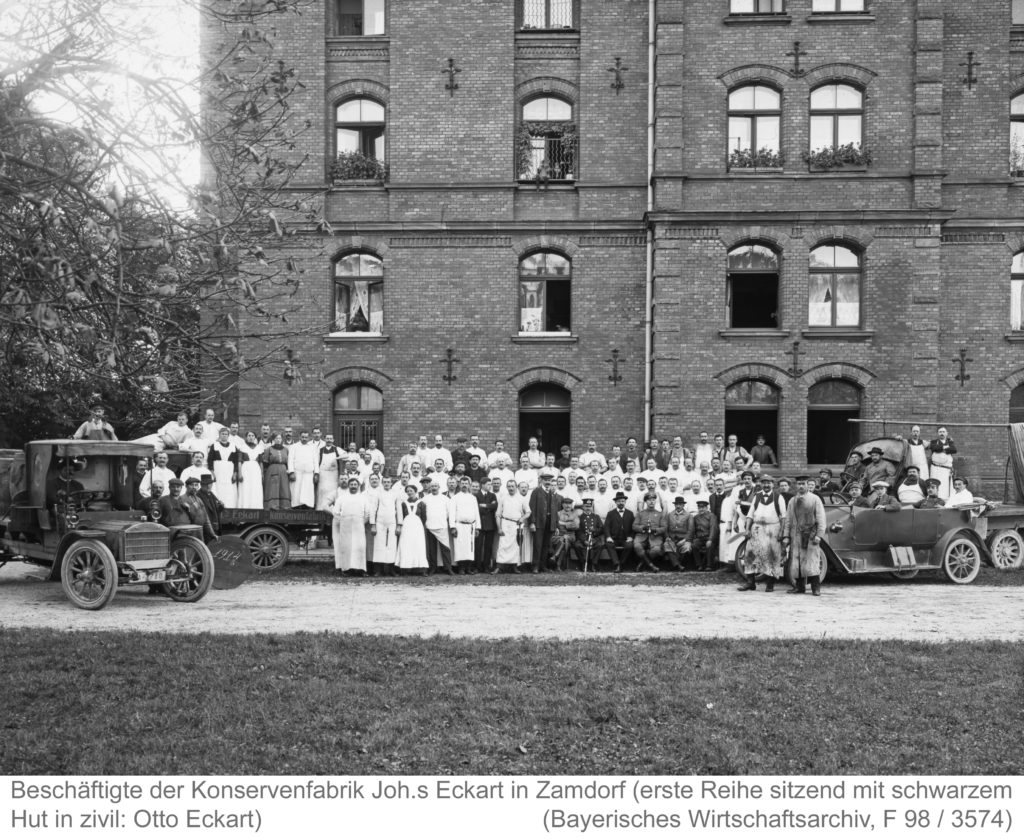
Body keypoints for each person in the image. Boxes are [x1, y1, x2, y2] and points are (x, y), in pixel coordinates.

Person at [739, 475, 786, 592]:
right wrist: (747, 529)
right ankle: (750, 583)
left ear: (772, 484)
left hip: (772, 529)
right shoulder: (757, 496)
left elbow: (784, 517)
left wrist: (781, 532)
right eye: (764, 483)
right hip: (757, 529)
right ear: (761, 484)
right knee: (750, 554)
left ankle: (770, 584)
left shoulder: (778, 497)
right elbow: (750, 514)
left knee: (772, 556)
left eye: (768, 483)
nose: (766, 485)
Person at [784, 476, 827, 596]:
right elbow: (788, 519)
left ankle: (815, 588)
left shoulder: (815, 499)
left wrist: (819, 534)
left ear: (808, 485)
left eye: (803, 483)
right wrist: (786, 535)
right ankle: (799, 587)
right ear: (796, 486)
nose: (801, 486)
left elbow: (821, 518)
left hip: (810, 535)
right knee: (796, 562)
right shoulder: (792, 500)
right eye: (799, 484)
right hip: (796, 535)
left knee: (812, 561)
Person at [331, 477, 370, 575]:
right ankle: (346, 569)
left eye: (355, 485)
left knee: (359, 547)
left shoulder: (363, 498)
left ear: (358, 486)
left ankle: (360, 570)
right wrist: (343, 521)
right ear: (348, 486)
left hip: (359, 525)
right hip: (345, 525)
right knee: (346, 547)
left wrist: (362, 523)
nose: (353, 486)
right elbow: (335, 512)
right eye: (351, 485)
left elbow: (367, 513)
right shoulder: (342, 498)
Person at [420, 478, 454, 575]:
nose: (434, 488)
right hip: (430, 526)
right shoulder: (425, 499)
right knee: (432, 549)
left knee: (445, 549)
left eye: (436, 486)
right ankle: (432, 568)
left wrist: (442, 520)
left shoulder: (445, 499)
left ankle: (448, 568)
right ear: (430, 488)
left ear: (439, 487)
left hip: (442, 526)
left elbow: (448, 513)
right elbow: (423, 512)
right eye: (432, 486)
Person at [448, 477, 481, 574]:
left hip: (471, 526)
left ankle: (468, 568)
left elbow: (476, 513)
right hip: (460, 526)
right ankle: (461, 568)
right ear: (459, 484)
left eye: (466, 483)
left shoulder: (473, 498)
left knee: (470, 548)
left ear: (469, 485)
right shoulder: (455, 498)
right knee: (460, 547)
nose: (464, 485)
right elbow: (452, 513)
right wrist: (453, 527)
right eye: (462, 483)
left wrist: (477, 527)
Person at [396, 483, 429, 575]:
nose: (409, 492)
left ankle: (421, 569)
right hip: (406, 527)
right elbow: (401, 515)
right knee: (406, 545)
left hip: (417, 527)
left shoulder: (421, 503)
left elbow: (424, 517)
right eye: (408, 491)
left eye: (411, 491)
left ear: (415, 491)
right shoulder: (403, 503)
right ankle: (405, 569)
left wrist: (418, 525)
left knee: (419, 546)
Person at [369, 476, 399, 576]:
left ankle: (391, 570)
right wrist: (373, 525)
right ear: (382, 483)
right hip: (380, 523)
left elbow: (399, 510)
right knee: (379, 546)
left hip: (392, 523)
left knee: (392, 545)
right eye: (385, 482)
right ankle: (378, 570)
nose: (386, 484)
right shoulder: (378, 494)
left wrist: (399, 525)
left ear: (391, 483)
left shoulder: (395, 494)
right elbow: (373, 509)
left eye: (388, 482)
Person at [528, 471, 558, 573]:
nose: (547, 482)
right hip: (539, 522)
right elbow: (531, 508)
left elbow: (555, 511)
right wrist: (532, 522)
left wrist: (556, 525)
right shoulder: (536, 492)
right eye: (545, 480)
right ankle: (535, 566)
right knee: (538, 545)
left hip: (549, 523)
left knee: (546, 545)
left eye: (549, 480)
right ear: (541, 480)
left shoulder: (552, 493)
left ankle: (543, 566)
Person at [603, 491, 635, 573]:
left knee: (629, 546)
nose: (621, 503)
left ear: (625, 502)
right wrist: (608, 537)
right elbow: (606, 527)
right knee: (609, 544)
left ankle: (622, 564)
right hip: (614, 538)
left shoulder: (630, 513)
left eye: (622, 501)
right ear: (615, 502)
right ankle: (616, 564)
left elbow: (633, 527)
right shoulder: (610, 513)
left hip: (626, 538)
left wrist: (631, 537)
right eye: (619, 501)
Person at [208, 427, 239, 508]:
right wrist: (212, 473)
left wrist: (235, 473)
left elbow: (236, 461)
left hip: (229, 471)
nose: (224, 435)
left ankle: (230, 507)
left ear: (228, 435)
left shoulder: (233, 446)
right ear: (219, 435)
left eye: (226, 434)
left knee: (230, 490)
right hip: (218, 471)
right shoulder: (214, 445)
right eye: (222, 434)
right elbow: (210, 460)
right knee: (218, 488)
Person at [259, 433, 290, 510]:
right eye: (276, 438)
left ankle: (284, 506)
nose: (278, 440)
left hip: (283, 470)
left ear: (282, 439)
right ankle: (272, 506)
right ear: (273, 440)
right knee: (273, 488)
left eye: (280, 438)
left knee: (283, 488)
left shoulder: (286, 449)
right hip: (272, 470)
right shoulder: (269, 449)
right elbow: (265, 463)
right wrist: (264, 474)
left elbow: (288, 462)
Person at [287, 430, 318, 509]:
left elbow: (316, 461)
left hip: (309, 474)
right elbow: (290, 460)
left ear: (309, 437)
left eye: (306, 437)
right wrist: (291, 472)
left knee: (307, 494)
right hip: (297, 474)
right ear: (299, 437)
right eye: (303, 437)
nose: (304, 439)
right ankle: (296, 509)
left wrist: (316, 473)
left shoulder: (313, 447)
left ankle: (307, 510)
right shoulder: (294, 446)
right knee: (296, 493)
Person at [234, 431, 264, 510]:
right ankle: (245, 511)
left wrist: (261, 474)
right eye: (249, 435)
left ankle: (256, 511)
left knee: (255, 489)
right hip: (245, 470)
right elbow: (239, 462)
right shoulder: (242, 447)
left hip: (256, 470)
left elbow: (261, 462)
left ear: (255, 437)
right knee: (246, 489)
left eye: (252, 435)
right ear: (246, 437)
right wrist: (240, 474)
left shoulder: (259, 447)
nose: (251, 437)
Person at [474, 478, 499, 573]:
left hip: (490, 524)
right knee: (478, 546)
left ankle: (486, 566)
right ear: (482, 485)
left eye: (490, 484)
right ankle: (477, 567)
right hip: (479, 524)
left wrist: (484, 505)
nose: (490, 486)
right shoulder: (476, 495)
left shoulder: (493, 495)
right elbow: (476, 508)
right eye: (488, 484)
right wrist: (489, 506)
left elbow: (495, 506)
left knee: (488, 546)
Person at [574, 497, 604, 572]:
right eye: (586, 506)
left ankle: (594, 564)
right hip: (583, 538)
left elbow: (601, 529)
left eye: (589, 506)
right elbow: (578, 531)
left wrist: (594, 531)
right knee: (577, 545)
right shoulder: (579, 517)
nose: (588, 508)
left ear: (592, 507)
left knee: (600, 545)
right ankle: (583, 563)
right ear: (583, 507)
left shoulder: (596, 517)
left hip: (594, 538)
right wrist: (584, 540)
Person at [662, 496, 691, 572]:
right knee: (666, 545)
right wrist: (667, 537)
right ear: (674, 505)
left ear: (683, 505)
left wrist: (685, 540)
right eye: (676, 504)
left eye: (680, 504)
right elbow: (665, 528)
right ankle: (678, 566)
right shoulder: (669, 515)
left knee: (686, 547)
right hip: (671, 538)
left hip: (683, 539)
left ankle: (675, 564)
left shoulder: (688, 515)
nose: (678, 506)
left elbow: (691, 530)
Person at [551, 496, 580, 571]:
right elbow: (555, 524)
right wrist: (569, 523)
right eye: (565, 503)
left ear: (571, 505)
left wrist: (562, 523)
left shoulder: (575, 514)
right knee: (564, 540)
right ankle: (558, 565)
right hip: (558, 536)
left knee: (566, 538)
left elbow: (576, 526)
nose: (567, 506)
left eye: (569, 504)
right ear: (562, 505)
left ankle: (555, 556)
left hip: (571, 536)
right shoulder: (558, 514)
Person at [929, 427, 957, 500]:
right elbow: (935, 448)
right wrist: (946, 448)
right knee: (936, 485)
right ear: (938, 433)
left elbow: (954, 450)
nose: (942, 433)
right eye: (940, 432)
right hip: (936, 469)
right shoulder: (933, 442)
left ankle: (946, 501)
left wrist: (942, 448)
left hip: (946, 469)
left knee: (946, 486)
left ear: (946, 433)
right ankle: (936, 500)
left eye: (943, 432)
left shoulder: (950, 442)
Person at [315, 435, 342, 511]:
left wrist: (337, 458)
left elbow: (346, 455)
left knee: (333, 494)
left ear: (333, 440)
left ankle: (332, 514)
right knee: (321, 493)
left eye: (330, 439)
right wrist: (316, 474)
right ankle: (320, 512)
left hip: (333, 475)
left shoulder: (337, 449)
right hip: (323, 475)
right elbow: (316, 462)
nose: (329, 440)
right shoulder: (320, 450)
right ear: (324, 439)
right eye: (327, 439)